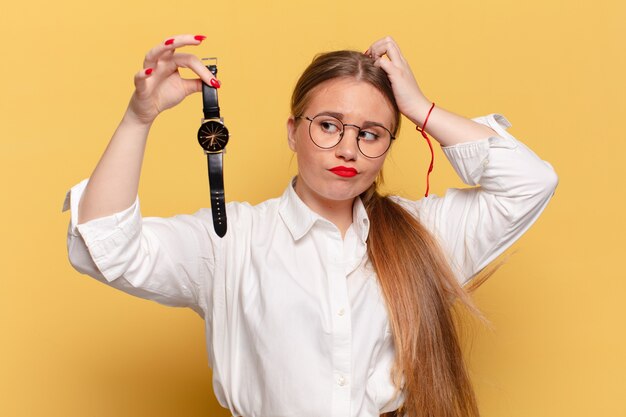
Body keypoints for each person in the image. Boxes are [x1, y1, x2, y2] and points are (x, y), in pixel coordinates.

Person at [63, 34, 558, 417]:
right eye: (328, 125)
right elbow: (106, 248)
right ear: (292, 131)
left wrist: (420, 108)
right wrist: (138, 117)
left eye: (371, 133)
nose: (347, 148)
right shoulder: (230, 240)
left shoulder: (423, 234)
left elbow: (530, 184)